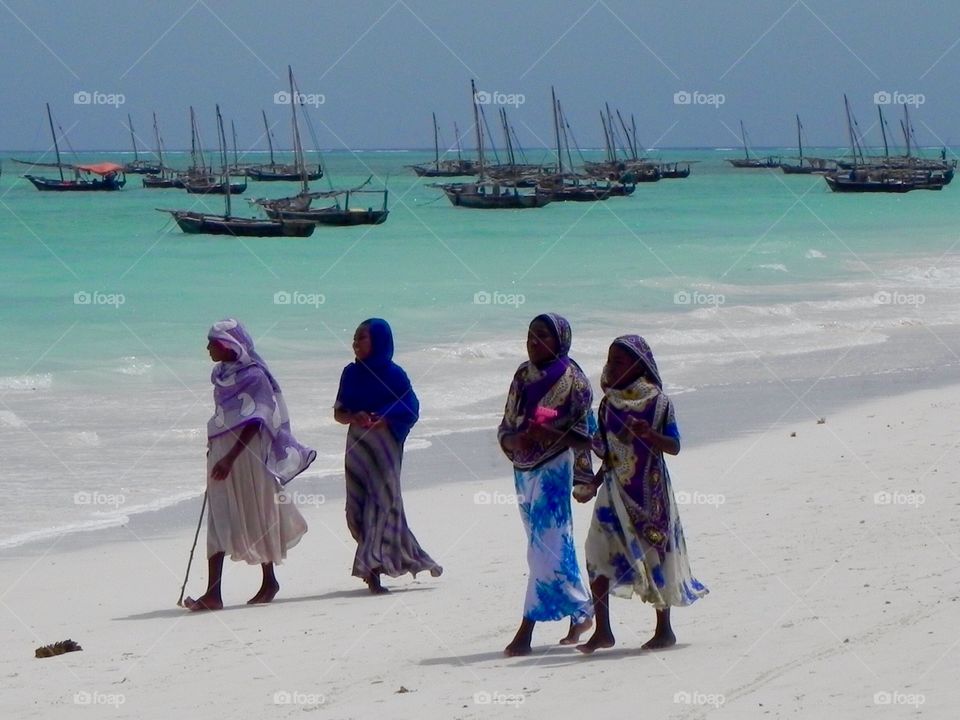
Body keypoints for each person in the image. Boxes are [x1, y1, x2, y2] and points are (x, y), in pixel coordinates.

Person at [575, 335, 707, 653]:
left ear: (639, 365)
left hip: (651, 494)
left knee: (655, 555)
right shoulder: (608, 405)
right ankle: (603, 631)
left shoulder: (659, 403)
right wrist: (592, 484)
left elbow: (674, 447)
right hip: (613, 493)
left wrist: (651, 436)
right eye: (610, 361)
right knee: (596, 553)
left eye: (620, 361)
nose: (612, 367)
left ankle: (664, 630)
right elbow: (607, 454)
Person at [185, 319, 316, 611]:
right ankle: (213, 593)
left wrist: (230, 458)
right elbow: (224, 415)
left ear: (230, 345)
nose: (208, 348)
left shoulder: (255, 376)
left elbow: (258, 418)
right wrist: (215, 448)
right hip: (221, 452)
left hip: (247, 454)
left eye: (213, 343)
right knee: (219, 514)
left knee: (257, 509)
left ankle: (269, 580)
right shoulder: (219, 375)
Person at [498, 313, 595, 656]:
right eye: (530, 335)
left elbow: (587, 439)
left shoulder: (575, 382)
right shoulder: (523, 375)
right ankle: (582, 610)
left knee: (544, 547)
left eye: (542, 336)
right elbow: (506, 423)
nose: (533, 342)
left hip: (555, 468)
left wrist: (583, 479)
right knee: (551, 547)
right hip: (523, 470)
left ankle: (526, 628)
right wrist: (516, 440)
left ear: (561, 341)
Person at [334, 319, 442, 594]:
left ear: (379, 342)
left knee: (381, 506)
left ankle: (372, 572)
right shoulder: (350, 374)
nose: (355, 343)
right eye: (355, 338)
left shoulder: (395, 375)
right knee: (356, 509)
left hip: (386, 449)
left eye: (362, 338)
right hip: (357, 448)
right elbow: (338, 412)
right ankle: (411, 557)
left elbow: (411, 409)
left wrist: (385, 418)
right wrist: (353, 416)